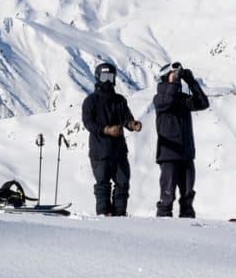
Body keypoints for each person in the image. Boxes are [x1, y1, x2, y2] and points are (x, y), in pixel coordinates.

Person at [82, 63, 142, 216]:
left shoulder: (120, 100)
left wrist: (132, 124)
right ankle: (104, 215)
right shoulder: (90, 101)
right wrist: (107, 130)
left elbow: (126, 118)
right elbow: (88, 123)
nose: (107, 81)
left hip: (119, 150)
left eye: (110, 77)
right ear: (97, 78)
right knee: (103, 185)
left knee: (123, 183)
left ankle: (120, 214)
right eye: (104, 77)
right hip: (100, 151)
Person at [153, 62, 210, 218]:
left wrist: (191, 81)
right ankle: (163, 231)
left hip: (186, 154)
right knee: (167, 196)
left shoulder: (182, 99)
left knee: (187, 196)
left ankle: (188, 229)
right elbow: (167, 101)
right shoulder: (159, 99)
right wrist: (173, 81)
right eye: (173, 74)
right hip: (169, 155)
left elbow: (203, 103)